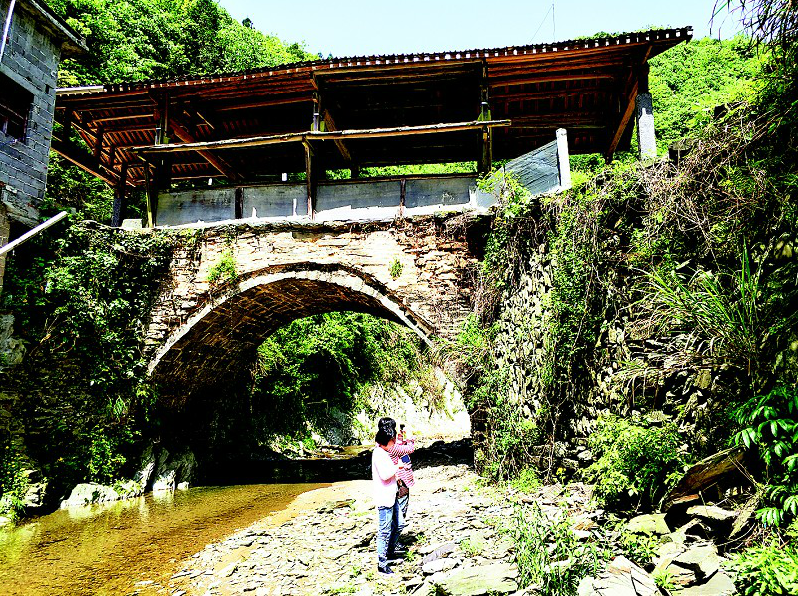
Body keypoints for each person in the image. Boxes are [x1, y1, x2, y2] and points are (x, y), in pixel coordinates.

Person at [372, 419, 408, 575]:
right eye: (392, 441)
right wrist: (397, 467)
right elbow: (385, 474)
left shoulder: (383, 452)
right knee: (384, 531)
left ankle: (390, 552)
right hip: (384, 499)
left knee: (399, 524)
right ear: (386, 441)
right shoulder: (378, 454)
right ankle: (382, 564)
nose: (394, 444)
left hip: (391, 496)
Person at [381, 418, 415, 524]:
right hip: (401, 480)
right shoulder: (392, 448)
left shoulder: (381, 445)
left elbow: (398, 446)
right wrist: (409, 437)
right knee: (400, 513)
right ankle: (396, 532)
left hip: (392, 481)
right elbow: (410, 449)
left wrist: (400, 436)